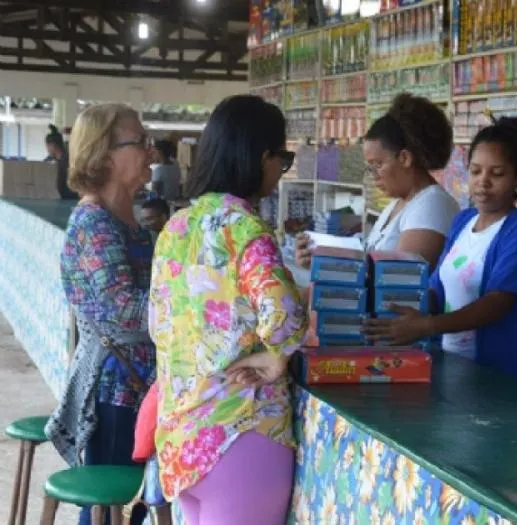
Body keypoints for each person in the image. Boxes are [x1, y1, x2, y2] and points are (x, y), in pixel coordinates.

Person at [149, 95, 306, 525]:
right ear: (261, 157)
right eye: (282, 159)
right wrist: (275, 359)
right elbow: (285, 314)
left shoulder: (176, 227)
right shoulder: (245, 228)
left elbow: (158, 323)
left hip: (182, 439)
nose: (280, 170)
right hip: (241, 433)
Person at [366, 117, 517, 385]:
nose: (483, 182)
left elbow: (496, 303)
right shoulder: (463, 221)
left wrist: (425, 325)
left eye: (497, 174)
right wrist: (397, 308)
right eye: (475, 171)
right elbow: (437, 287)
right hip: (452, 367)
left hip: (499, 380)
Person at [44, 104, 154, 525]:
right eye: (139, 141)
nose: (150, 151)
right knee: (111, 511)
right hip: (115, 389)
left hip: (136, 384)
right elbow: (123, 309)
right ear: (105, 155)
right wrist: (192, 308)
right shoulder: (94, 223)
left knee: (129, 508)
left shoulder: (128, 221)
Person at [294, 93, 459, 269]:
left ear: (404, 158)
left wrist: (330, 266)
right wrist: (320, 257)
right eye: (370, 166)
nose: (373, 174)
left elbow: (399, 278)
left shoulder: (432, 204)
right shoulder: (396, 205)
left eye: (378, 165)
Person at [45, 124, 77, 200]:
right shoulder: (48, 160)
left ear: (52, 145)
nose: (47, 150)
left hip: (70, 199)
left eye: (47, 146)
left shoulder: (70, 161)